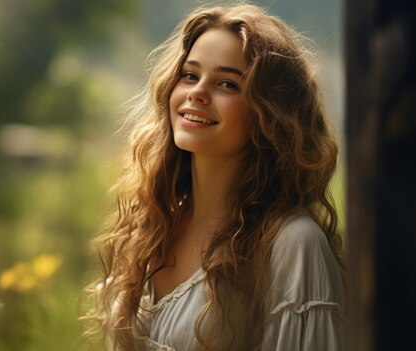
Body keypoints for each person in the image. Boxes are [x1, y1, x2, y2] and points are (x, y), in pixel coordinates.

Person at [83, 3, 346, 351]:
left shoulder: (292, 244)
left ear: (271, 114)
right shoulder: (155, 223)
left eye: (226, 84)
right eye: (190, 75)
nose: (197, 92)